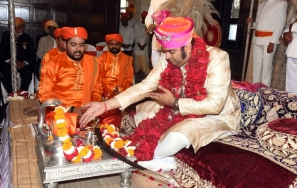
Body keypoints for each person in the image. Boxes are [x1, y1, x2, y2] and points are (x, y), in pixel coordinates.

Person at [79, 17, 241, 172]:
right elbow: (145, 86)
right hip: (178, 106)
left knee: (176, 137)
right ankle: (157, 161)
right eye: (164, 51)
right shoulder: (168, 57)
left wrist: (175, 103)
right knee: (142, 111)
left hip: (214, 115)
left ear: (187, 47)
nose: (167, 56)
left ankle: (149, 160)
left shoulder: (218, 58)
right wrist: (105, 105)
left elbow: (215, 105)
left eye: (171, 51)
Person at [38, 27, 103, 108]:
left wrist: (91, 107)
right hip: (61, 114)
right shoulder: (52, 65)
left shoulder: (94, 62)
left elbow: (97, 89)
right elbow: (44, 96)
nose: (78, 49)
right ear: (65, 45)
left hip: (88, 112)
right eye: (73, 45)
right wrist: (70, 109)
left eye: (82, 45)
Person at [246, 0, 287, 87]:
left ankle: (264, 93)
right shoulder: (262, 4)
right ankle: (255, 90)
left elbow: (280, 24)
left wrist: (272, 42)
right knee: (256, 68)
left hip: (269, 41)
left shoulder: (281, 3)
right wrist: (252, 23)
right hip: (257, 40)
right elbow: (259, 24)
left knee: (266, 70)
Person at [98, 34, 133, 127]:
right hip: (104, 92)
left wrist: (120, 89)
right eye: (111, 44)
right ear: (107, 45)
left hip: (120, 93)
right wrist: (110, 89)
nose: (114, 46)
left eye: (116, 44)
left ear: (120, 45)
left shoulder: (127, 60)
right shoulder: (101, 58)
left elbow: (129, 79)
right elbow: (98, 77)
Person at [0, 17, 36, 93]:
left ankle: (22, 93)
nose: (16, 29)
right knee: (6, 73)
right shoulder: (6, 36)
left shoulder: (27, 38)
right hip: (9, 63)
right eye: (14, 27)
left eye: (19, 27)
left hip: (23, 64)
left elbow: (32, 55)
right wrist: (10, 62)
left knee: (27, 74)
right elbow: (1, 53)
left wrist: (24, 63)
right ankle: (11, 94)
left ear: (23, 27)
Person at [145, 0, 180, 68]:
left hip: (172, 40)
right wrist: (150, 25)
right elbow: (148, 17)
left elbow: (182, 18)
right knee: (156, 69)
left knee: (171, 70)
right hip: (156, 41)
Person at [133, 11, 151, 76]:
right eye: (144, 17)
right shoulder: (137, 25)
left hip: (145, 46)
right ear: (142, 17)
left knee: (145, 59)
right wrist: (139, 44)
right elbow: (135, 35)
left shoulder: (148, 26)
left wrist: (144, 44)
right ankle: (137, 72)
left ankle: (144, 73)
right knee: (137, 60)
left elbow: (148, 37)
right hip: (138, 45)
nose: (145, 19)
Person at [283, 16, 297, 94]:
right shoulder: (295, 16)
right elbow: (287, 30)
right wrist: (286, 34)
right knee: (290, 82)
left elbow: (293, 27)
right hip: (292, 51)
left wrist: (292, 26)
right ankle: (291, 104)